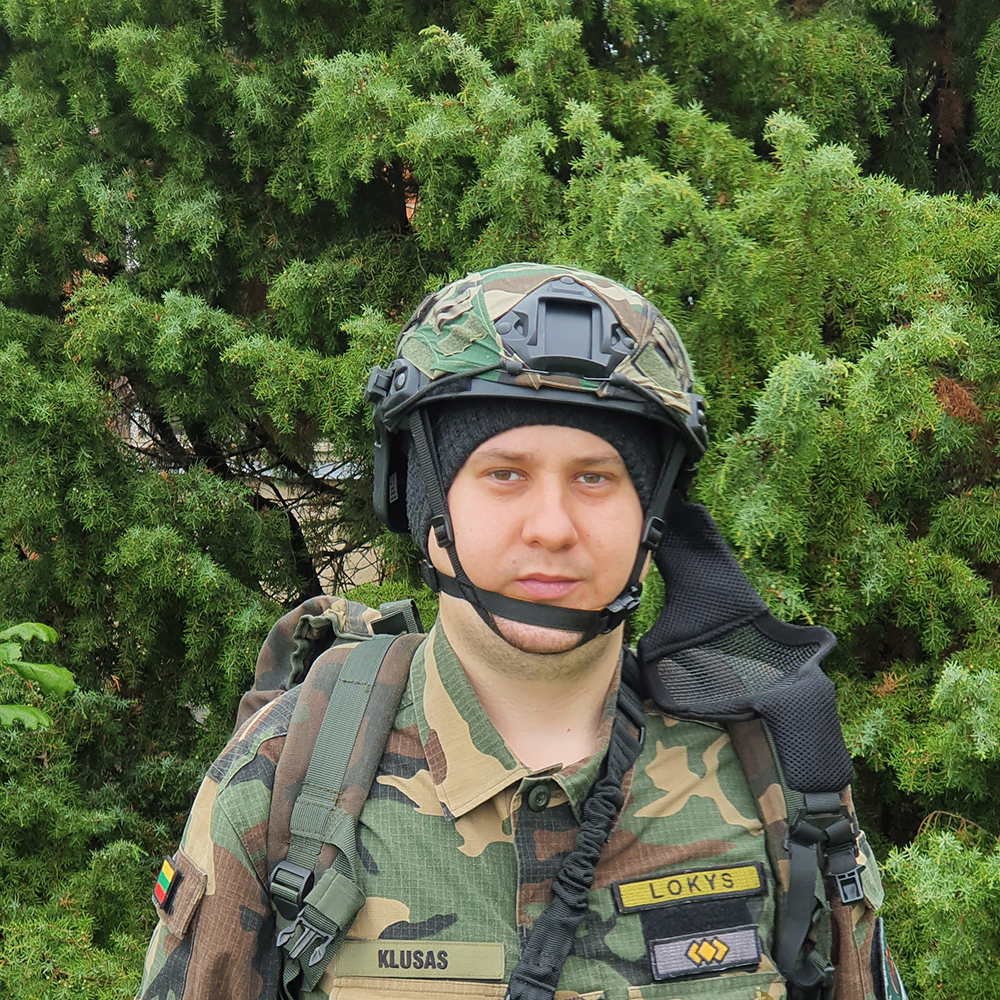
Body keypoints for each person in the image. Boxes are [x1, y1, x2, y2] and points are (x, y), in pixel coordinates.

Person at [137, 263, 900, 1000]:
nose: (552, 528)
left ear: (652, 520)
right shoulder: (284, 780)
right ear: (422, 502)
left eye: (596, 477)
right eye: (505, 473)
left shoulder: (776, 776)